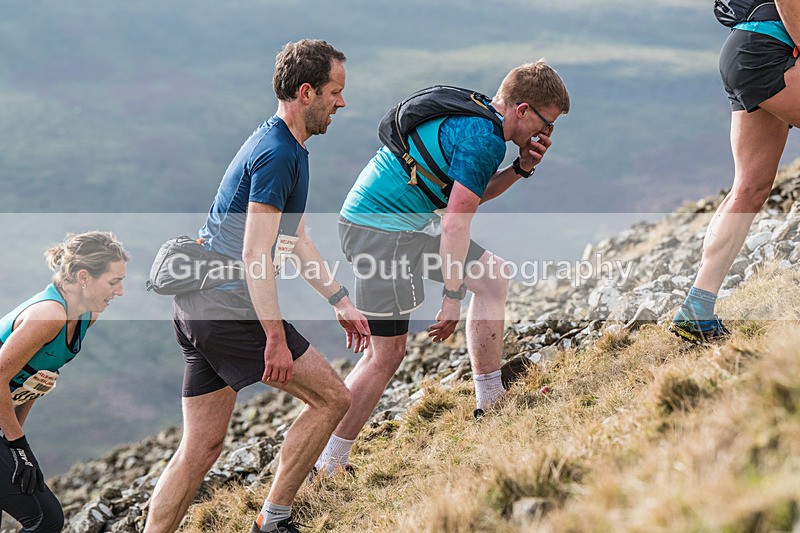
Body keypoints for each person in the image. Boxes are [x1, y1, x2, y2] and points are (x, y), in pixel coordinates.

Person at [143, 39, 370, 533]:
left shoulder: (289, 147)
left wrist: (340, 300)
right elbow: (254, 255)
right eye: (335, 91)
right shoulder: (276, 154)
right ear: (306, 92)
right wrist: (273, 337)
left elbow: (297, 239)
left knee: (200, 448)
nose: (342, 102)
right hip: (226, 307)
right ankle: (274, 519)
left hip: (199, 308)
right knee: (333, 398)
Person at [314, 61, 570, 475]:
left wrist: (521, 168)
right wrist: (452, 296)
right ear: (522, 110)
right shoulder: (485, 139)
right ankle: (327, 463)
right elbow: (455, 222)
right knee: (386, 355)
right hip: (382, 235)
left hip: (380, 227)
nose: (545, 134)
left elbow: (467, 196)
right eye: (546, 123)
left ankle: (491, 401)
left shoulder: (479, 118)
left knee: (492, 278)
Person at [671, 0, 800, 342]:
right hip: (769, 52)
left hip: (747, 50)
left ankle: (697, 308)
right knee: (748, 187)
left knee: (750, 188)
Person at [0, 231, 128, 532]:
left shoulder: (86, 315)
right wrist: (19, 448)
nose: (120, 291)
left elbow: (36, 377)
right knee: (46, 518)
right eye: (113, 281)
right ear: (83, 277)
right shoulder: (49, 315)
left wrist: (14, 439)